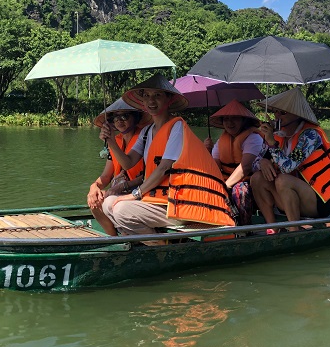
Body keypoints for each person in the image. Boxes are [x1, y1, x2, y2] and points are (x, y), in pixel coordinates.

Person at [99, 73, 234, 242]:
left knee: (121, 210)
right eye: (146, 96)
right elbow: (127, 163)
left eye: (157, 96)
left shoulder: (176, 127)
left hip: (178, 203)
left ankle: (158, 248)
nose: (151, 101)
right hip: (157, 199)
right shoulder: (147, 132)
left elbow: (164, 167)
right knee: (107, 203)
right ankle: (149, 241)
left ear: (169, 100)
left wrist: (134, 194)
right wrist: (111, 141)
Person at [250, 87, 330, 231]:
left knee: (283, 180)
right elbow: (253, 165)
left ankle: (294, 231)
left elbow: (288, 167)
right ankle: (272, 228)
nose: (277, 116)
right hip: (287, 196)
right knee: (256, 178)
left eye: (283, 112)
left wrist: (271, 143)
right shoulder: (275, 134)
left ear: (296, 114)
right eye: (275, 111)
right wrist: (262, 161)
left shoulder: (310, 136)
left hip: (317, 199)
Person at [87, 98, 150, 235]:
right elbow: (106, 176)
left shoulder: (145, 137)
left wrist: (120, 188)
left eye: (124, 116)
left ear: (135, 117)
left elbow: (147, 176)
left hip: (141, 190)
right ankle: (113, 238)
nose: (119, 121)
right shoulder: (115, 141)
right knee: (95, 202)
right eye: (115, 118)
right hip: (119, 189)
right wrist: (94, 187)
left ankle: (129, 236)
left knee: (109, 201)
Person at [203, 99, 267, 225]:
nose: (229, 123)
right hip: (226, 181)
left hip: (250, 184)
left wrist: (225, 186)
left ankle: (243, 228)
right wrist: (206, 151)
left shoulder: (253, 138)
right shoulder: (222, 141)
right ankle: (214, 222)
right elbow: (214, 166)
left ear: (243, 121)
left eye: (234, 118)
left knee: (240, 190)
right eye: (226, 119)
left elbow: (246, 167)